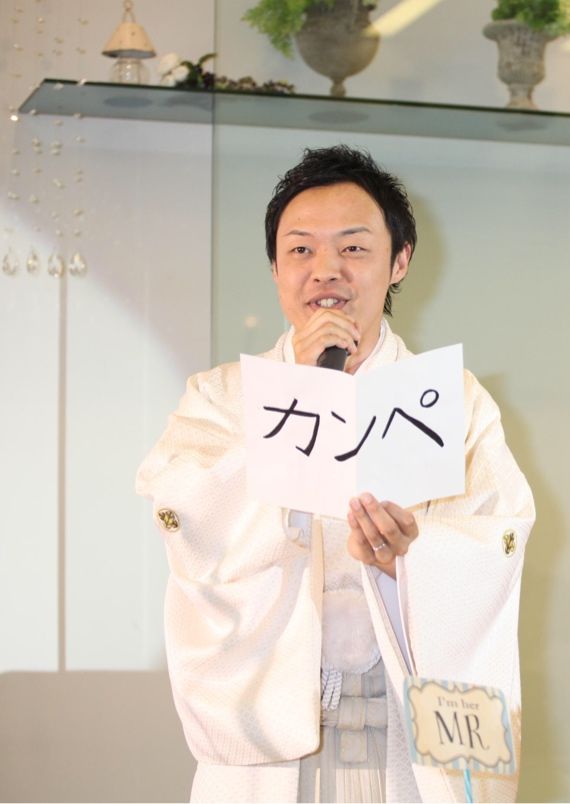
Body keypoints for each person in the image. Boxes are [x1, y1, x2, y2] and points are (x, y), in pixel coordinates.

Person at [136, 145, 535, 802]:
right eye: (300, 250)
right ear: (275, 268)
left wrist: (411, 556)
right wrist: (297, 392)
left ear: (399, 261)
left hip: (405, 735)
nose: (326, 270)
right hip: (271, 745)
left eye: (353, 248)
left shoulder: (449, 402)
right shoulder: (220, 399)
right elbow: (188, 521)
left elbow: (499, 539)